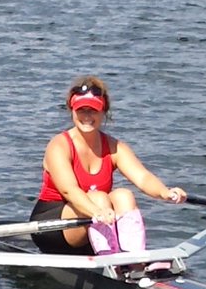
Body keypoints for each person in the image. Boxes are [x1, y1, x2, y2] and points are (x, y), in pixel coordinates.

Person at [30, 75, 186, 260]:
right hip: (53, 227)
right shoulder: (59, 145)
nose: (87, 117)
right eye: (81, 110)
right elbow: (69, 190)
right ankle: (112, 262)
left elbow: (142, 177)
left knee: (123, 195)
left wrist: (164, 192)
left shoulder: (114, 147)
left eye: (93, 111)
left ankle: (134, 261)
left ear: (104, 111)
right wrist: (97, 211)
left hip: (97, 219)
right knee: (99, 198)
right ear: (72, 110)